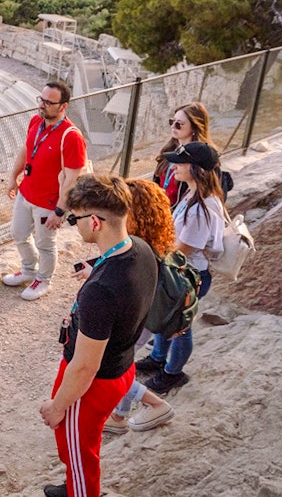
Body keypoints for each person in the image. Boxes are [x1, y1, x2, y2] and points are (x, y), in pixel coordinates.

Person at [40, 174, 157, 497]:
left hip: (93, 383)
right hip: (122, 366)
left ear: (94, 222)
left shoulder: (101, 291)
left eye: (75, 219)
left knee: (80, 455)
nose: (73, 225)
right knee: (79, 446)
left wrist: (58, 406)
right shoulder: (141, 250)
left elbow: (84, 367)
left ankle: (79, 491)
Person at [136, 142, 225, 394]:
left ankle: (173, 373)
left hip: (190, 274)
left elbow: (184, 249)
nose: (174, 166)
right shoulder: (195, 195)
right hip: (187, 272)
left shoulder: (201, 208)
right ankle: (158, 358)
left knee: (179, 326)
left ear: (197, 169)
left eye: (180, 163)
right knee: (167, 317)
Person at [103, 178, 176, 434]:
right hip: (144, 317)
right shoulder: (153, 243)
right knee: (122, 363)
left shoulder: (137, 250)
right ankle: (119, 416)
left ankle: (155, 404)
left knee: (109, 364)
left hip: (138, 319)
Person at [4, 81, 88, 300]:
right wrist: (14, 177)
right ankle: (28, 270)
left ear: (63, 106)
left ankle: (44, 279)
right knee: (19, 233)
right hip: (27, 192)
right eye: (41, 100)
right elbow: (26, 149)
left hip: (49, 202)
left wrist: (60, 211)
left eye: (49, 102)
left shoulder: (71, 137)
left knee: (45, 243)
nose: (42, 105)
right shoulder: (36, 121)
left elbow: (72, 177)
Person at [153, 102, 216, 206]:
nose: (173, 126)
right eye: (171, 122)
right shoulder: (168, 150)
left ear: (194, 127)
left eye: (179, 124)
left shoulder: (203, 158)